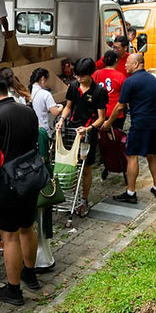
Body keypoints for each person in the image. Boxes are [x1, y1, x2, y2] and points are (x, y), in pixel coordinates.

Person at [0, 71, 41, 306]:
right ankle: (29, 274)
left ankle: (13, 291)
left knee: (10, 236)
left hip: (8, 183)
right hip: (31, 178)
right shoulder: (28, 110)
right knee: (27, 227)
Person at [102, 53, 156, 204]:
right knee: (152, 155)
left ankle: (131, 192)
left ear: (136, 64)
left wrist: (109, 122)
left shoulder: (130, 82)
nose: (125, 65)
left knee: (132, 156)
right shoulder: (152, 79)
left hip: (139, 123)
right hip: (154, 122)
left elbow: (120, 106)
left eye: (128, 63)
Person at [57, 58, 107, 216]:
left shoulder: (99, 91)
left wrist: (88, 129)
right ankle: (71, 196)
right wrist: (61, 120)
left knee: (85, 167)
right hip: (72, 131)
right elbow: (68, 107)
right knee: (70, 165)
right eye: (77, 75)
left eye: (82, 76)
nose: (79, 79)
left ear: (91, 74)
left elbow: (101, 118)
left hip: (87, 135)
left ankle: (84, 199)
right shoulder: (73, 86)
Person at [93, 50, 126, 131]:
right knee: (116, 137)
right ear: (117, 60)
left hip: (98, 112)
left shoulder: (96, 74)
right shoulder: (120, 76)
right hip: (115, 114)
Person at [29, 67, 62, 134]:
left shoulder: (29, 92)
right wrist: (61, 107)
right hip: (43, 130)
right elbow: (55, 112)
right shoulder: (45, 94)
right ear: (43, 79)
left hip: (31, 130)